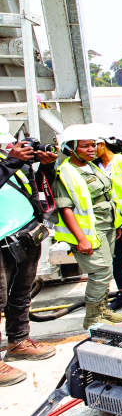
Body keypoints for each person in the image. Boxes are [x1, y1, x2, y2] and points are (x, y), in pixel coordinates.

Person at [53, 125, 122, 328]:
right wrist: (81, 238)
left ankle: (102, 310)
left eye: (93, 145)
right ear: (70, 148)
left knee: (106, 269)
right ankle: (92, 317)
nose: (91, 149)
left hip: (107, 226)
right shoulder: (66, 171)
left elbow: (107, 195)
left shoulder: (91, 166)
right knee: (100, 272)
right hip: (90, 232)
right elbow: (65, 209)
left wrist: (116, 222)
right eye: (85, 146)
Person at [0, 129, 58, 387]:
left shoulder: (9, 156)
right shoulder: (10, 159)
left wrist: (47, 167)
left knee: (21, 291)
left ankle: (18, 341)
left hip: (23, 234)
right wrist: (12, 161)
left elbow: (36, 187)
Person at [90, 126, 122, 312]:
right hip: (111, 221)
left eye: (91, 145)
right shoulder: (93, 167)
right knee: (116, 258)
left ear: (102, 145)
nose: (89, 149)